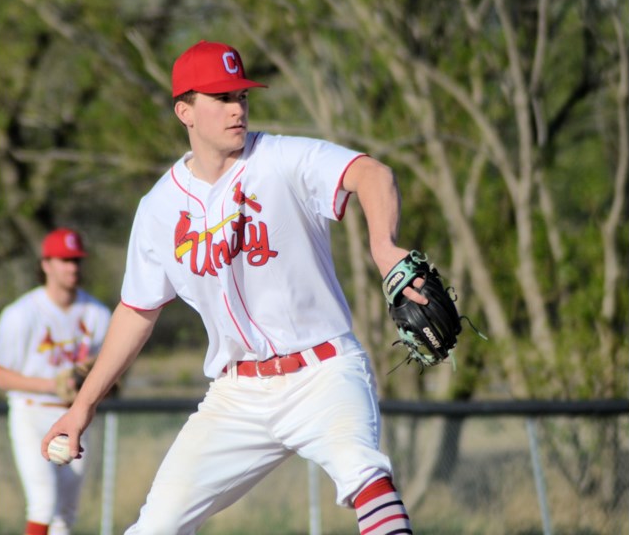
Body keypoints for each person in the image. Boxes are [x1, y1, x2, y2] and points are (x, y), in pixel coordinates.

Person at [42, 40, 425, 534]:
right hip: (237, 393)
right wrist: (82, 406)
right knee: (154, 526)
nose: (236, 108)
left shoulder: (282, 158)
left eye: (241, 96)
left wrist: (383, 247)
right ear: (185, 111)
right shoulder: (159, 207)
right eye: (220, 97)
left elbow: (371, 173)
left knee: (365, 473)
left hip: (323, 372)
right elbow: (137, 310)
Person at [0, 228, 112, 535]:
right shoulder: (21, 314)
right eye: (64, 260)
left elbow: (112, 370)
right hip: (32, 412)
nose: (72, 267)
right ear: (46, 264)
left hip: (76, 415)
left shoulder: (98, 314)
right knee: (43, 502)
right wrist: (51, 384)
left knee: (65, 513)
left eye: (76, 260)